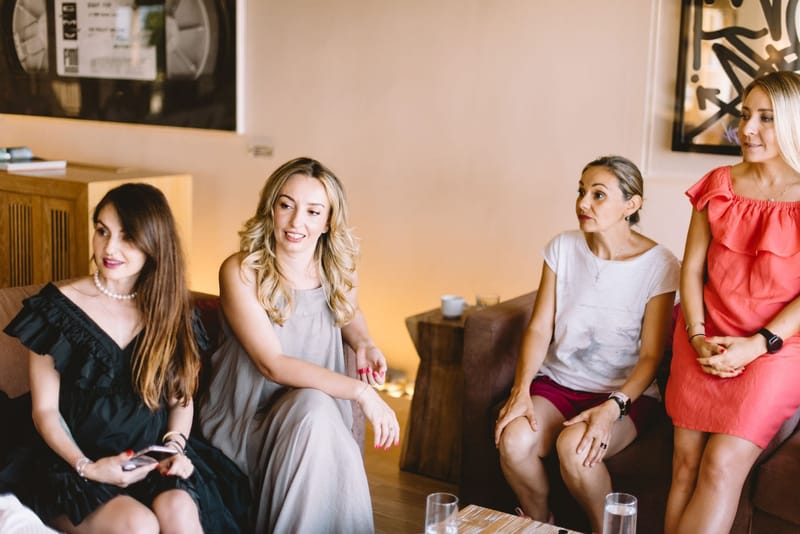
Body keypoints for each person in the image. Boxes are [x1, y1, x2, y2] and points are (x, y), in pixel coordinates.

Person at [2, 183, 246, 533]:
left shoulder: (173, 312)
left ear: (153, 244)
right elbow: (45, 411)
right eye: (102, 230)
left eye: (126, 236)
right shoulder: (55, 309)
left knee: (179, 511)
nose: (109, 247)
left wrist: (175, 446)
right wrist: (88, 466)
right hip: (74, 463)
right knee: (138, 524)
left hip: (150, 460)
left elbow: (181, 399)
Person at [199, 157, 400, 533]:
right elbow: (272, 364)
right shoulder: (241, 271)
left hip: (315, 411)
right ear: (270, 208)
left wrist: (365, 342)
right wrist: (362, 394)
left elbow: (349, 311)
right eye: (286, 205)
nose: (296, 223)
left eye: (312, 211)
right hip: (250, 417)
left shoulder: (339, 267)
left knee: (315, 408)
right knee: (315, 408)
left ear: (328, 222)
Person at [494, 155, 680, 533]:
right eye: (581, 192)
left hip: (625, 393)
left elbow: (651, 355)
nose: (582, 203)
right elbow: (539, 328)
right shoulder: (562, 248)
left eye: (598, 195)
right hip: (559, 383)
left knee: (576, 450)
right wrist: (521, 390)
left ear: (632, 205)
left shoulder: (660, 264)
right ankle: (540, 523)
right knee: (513, 441)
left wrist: (614, 408)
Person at [664, 71, 800, 534]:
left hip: (777, 347)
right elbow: (692, 269)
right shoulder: (719, 182)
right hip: (703, 335)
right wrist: (698, 335)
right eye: (745, 115)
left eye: (766, 117)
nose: (748, 129)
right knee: (683, 464)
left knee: (720, 463)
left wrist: (756, 345)